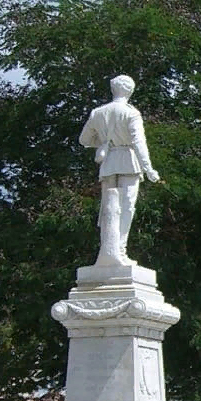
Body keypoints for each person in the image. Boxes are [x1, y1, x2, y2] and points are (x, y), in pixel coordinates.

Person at [79, 73, 161, 267]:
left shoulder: (98, 112)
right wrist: (148, 168)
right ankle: (119, 251)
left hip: (108, 163)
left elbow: (83, 140)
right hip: (128, 162)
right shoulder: (131, 113)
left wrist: (104, 143)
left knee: (108, 208)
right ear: (130, 91)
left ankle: (108, 250)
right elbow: (139, 142)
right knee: (125, 208)